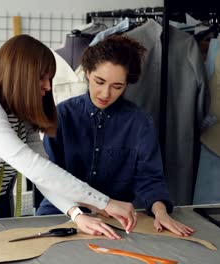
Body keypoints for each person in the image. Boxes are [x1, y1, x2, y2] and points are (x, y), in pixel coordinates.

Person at [0, 34, 137, 239]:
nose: (47, 86)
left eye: (49, 78)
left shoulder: (18, 115)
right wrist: (104, 202)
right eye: (41, 78)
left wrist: (76, 215)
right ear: (19, 74)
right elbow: (34, 167)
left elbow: (42, 172)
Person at [37, 35, 195, 236]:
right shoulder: (62, 115)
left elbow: (149, 178)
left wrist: (160, 212)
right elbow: (49, 176)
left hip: (114, 220)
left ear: (127, 84)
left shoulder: (139, 123)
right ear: (87, 73)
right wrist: (77, 213)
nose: (105, 93)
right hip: (61, 211)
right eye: (99, 82)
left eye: (117, 87)